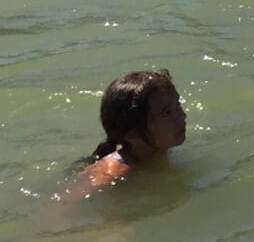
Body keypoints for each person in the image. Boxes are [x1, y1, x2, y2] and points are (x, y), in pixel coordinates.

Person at [66, 68, 187, 198]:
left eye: (178, 104)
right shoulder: (112, 171)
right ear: (132, 134)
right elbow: (65, 205)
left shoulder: (159, 149)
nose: (182, 115)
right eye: (166, 113)